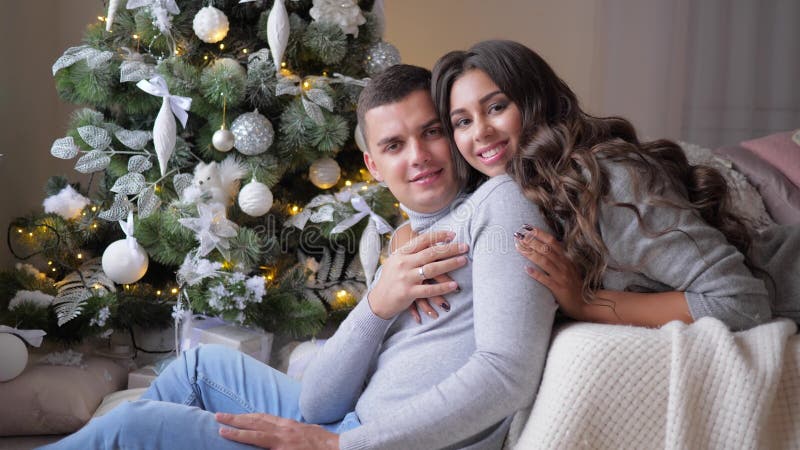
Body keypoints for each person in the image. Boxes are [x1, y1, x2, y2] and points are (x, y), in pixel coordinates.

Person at [40, 64, 557, 450]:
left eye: (433, 132)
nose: (418, 157)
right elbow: (317, 405)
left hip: (359, 442)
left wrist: (334, 445)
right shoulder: (411, 239)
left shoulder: (498, 203)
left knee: (135, 428)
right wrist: (378, 303)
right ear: (374, 166)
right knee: (198, 367)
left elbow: (506, 375)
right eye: (395, 145)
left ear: (454, 131)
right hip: (346, 424)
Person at [417, 39, 799, 332]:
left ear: (535, 104)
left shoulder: (609, 183)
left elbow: (741, 302)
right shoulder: (506, 198)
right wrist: (412, 255)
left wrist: (585, 304)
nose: (481, 132)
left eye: (497, 107)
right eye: (462, 122)